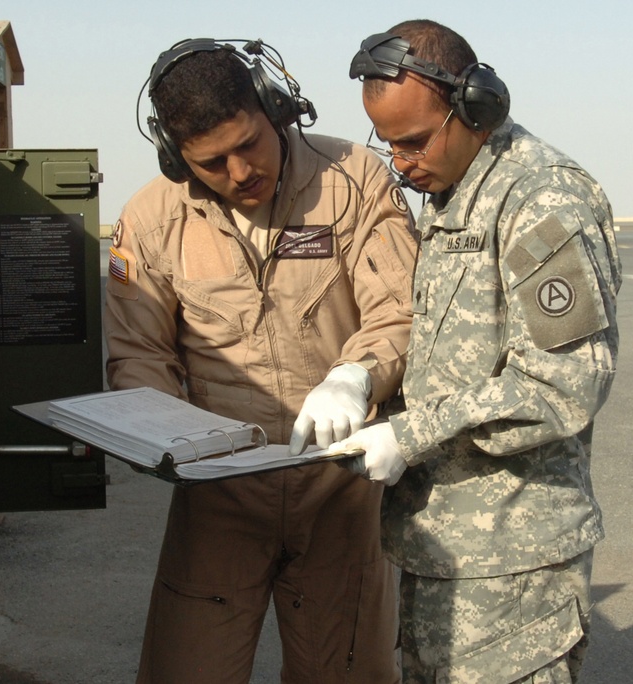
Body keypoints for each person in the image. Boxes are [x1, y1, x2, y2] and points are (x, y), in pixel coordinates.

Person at [104, 38, 417, 683]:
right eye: (211, 162)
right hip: (218, 496)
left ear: (275, 110)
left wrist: (354, 376)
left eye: (249, 143)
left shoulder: (354, 180)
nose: (239, 171)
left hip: (341, 490)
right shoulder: (152, 218)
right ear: (177, 160)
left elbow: (400, 310)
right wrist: (155, 430)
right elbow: (139, 351)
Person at [336, 19, 621, 683]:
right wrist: (361, 381)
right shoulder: (452, 192)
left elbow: (563, 384)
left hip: (516, 565)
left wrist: (411, 434)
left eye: (413, 141)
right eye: (389, 145)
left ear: (476, 108)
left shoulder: (541, 201)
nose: (401, 164)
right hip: (448, 550)